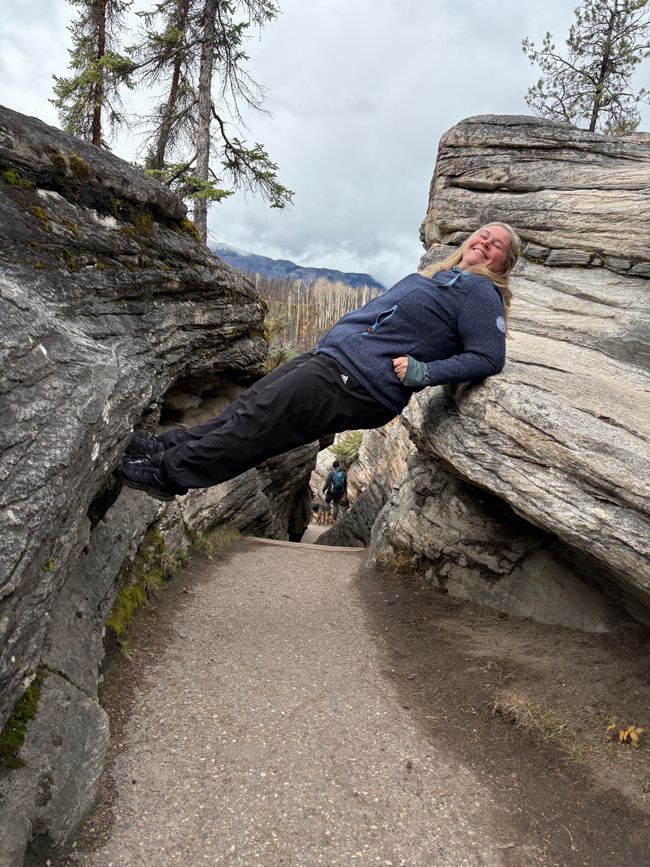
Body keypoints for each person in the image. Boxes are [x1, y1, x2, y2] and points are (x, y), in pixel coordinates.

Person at [120, 223, 520, 502]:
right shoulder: (442, 277)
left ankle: (168, 475)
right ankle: (162, 450)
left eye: (496, 244)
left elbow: (488, 356)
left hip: (358, 382)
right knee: (247, 407)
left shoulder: (481, 293)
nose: (485, 242)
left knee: (257, 425)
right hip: (332, 360)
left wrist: (425, 372)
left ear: (503, 264)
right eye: (483, 235)